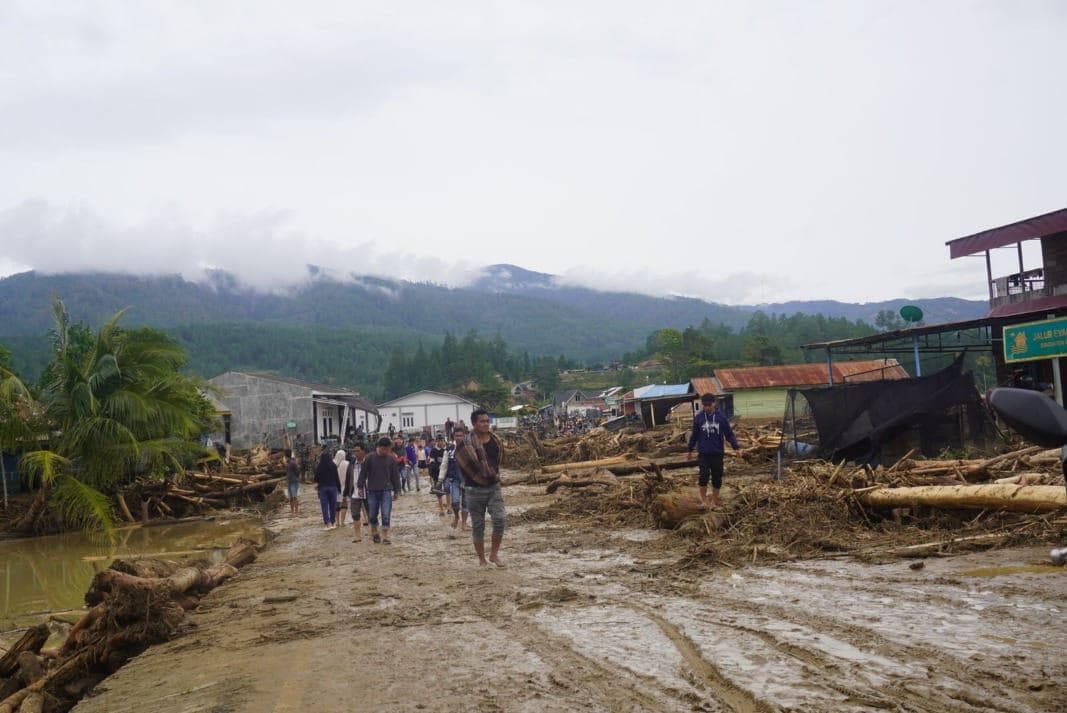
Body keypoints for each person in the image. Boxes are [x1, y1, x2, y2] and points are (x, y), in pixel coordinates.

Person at [454, 409, 506, 567]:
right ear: (474, 424)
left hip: (494, 486)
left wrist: (492, 475)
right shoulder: (465, 445)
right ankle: (482, 559)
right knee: (478, 526)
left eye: (487, 421)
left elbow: (498, 462)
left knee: (500, 520)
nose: (485, 424)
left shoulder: (496, 440)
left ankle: (494, 554)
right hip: (474, 489)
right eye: (481, 421)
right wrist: (479, 475)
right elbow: (463, 465)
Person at [687, 394, 742, 509]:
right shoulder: (699, 418)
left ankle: (715, 501)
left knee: (717, 477)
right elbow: (694, 435)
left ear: (714, 403)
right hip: (703, 453)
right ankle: (703, 501)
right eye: (704, 405)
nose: (706, 407)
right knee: (703, 476)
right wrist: (690, 450)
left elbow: (729, 434)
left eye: (708, 405)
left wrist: (736, 448)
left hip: (717, 453)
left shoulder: (721, 418)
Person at [358, 437, 403, 544]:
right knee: (372, 514)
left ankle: (385, 536)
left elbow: (395, 476)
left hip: (386, 490)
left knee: (386, 513)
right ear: (380, 447)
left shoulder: (391, 459)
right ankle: (374, 532)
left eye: (388, 449)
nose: (387, 451)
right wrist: (360, 486)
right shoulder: (369, 458)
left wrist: (397, 490)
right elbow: (363, 473)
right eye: (385, 449)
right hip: (372, 490)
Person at [440, 426, 469, 532]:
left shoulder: (469, 448)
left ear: (464, 436)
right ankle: (456, 516)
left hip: (467, 480)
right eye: (457, 435)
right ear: (453, 436)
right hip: (454, 479)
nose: (459, 437)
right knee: (455, 503)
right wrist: (440, 479)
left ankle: (464, 523)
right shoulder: (450, 449)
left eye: (461, 435)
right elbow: (444, 464)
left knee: (466, 503)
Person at [314, 450, 341, 530]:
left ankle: (327, 524)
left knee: (324, 506)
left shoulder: (320, 466)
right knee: (333, 506)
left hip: (323, 488)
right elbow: (337, 478)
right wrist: (339, 488)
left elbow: (316, 479)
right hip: (333, 487)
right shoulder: (333, 466)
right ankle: (333, 522)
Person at [350, 444, 367, 542]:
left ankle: (374, 533)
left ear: (363, 451)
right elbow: (349, 478)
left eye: (357, 450)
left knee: (371, 514)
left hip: (368, 492)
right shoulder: (352, 463)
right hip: (355, 493)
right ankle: (357, 535)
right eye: (354, 451)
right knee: (355, 514)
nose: (355, 453)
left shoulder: (369, 462)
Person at [428, 434, 448, 516]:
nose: (440, 442)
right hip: (437, 473)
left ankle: (449, 506)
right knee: (438, 492)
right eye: (439, 441)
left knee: (447, 488)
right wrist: (431, 473)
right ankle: (441, 509)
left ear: (444, 441)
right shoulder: (433, 451)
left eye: (442, 440)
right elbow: (431, 462)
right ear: (436, 441)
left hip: (447, 473)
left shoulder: (448, 449)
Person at [334, 449, 349, 528]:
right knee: (344, 503)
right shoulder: (347, 463)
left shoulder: (333, 463)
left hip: (335, 487)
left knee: (336, 504)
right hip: (345, 486)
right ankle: (342, 522)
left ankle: (337, 522)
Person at [285, 448, 300, 516]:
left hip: (294, 482)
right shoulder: (288, 463)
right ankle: (292, 511)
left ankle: (296, 511)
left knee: (294, 497)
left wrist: (295, 478)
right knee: (290, 497)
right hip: (289, 482)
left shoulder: (292, 463)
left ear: (286, 456)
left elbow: (297, 471)